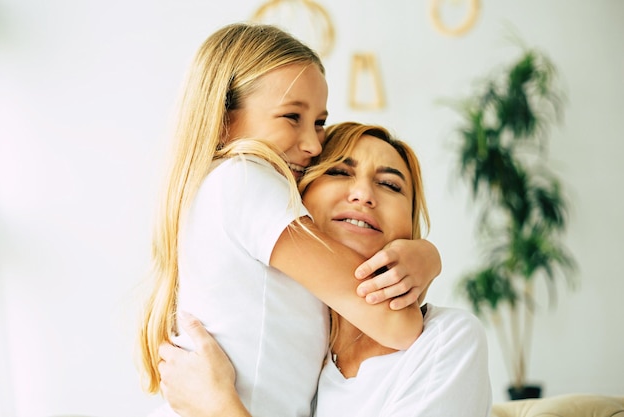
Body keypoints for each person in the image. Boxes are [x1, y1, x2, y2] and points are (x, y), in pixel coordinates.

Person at [138, 23, 442, 417]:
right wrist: (427, 256)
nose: (315, 145)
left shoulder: (217, 189)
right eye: (291, 117)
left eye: (318, 122)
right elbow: (398, 324)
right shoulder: (246, 180)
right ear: (225, 118)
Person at [157, 122, 492, 417]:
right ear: (296, 201)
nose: (363, 195)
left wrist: (219, 409)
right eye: (339, 172)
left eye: (390, 185)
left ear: (410, 222)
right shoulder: (293, 352)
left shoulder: (446, 339)